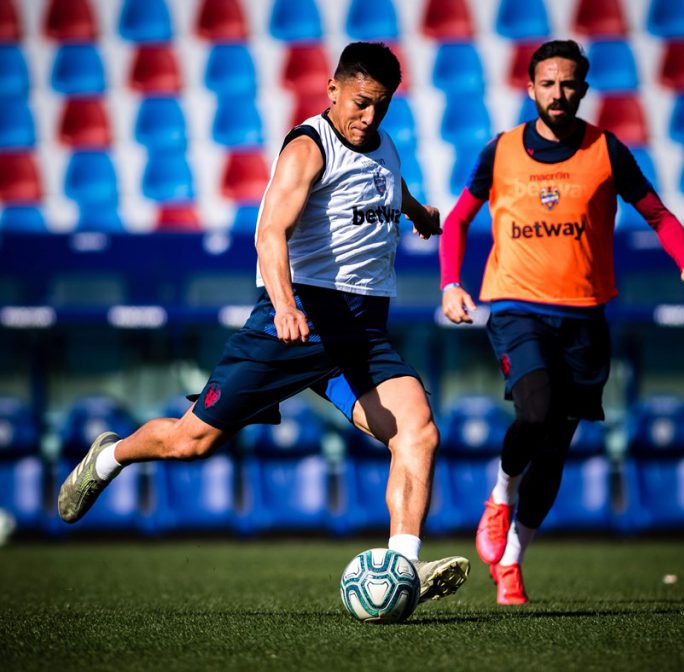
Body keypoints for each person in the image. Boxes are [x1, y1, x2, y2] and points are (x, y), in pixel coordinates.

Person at [58, 42, 469, 603]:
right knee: (189, 443)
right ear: (332, 89)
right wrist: (283, 305)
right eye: (360, 102)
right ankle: (107, 456)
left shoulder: (384, 146)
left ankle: (403, 568)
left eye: (381, 105)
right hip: (294, 321)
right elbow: (269, 233)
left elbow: (384, 185)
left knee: (417, 430)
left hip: (361, 335)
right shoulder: (310, 146)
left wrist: (418, 211)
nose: (368, 116)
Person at [439, 40, 684, 605]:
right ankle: (500, 492)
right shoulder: (501, 151)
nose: (557, 93)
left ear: (582, 89)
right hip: (516, 306)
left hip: (585, 318)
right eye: (547, 83)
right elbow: (459, 218)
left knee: (556, 448)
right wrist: (450, 283)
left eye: (568, 84)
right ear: (531, 88)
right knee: (534, 411)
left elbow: (657, 213)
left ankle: (511, 562)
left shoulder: (608, 150)